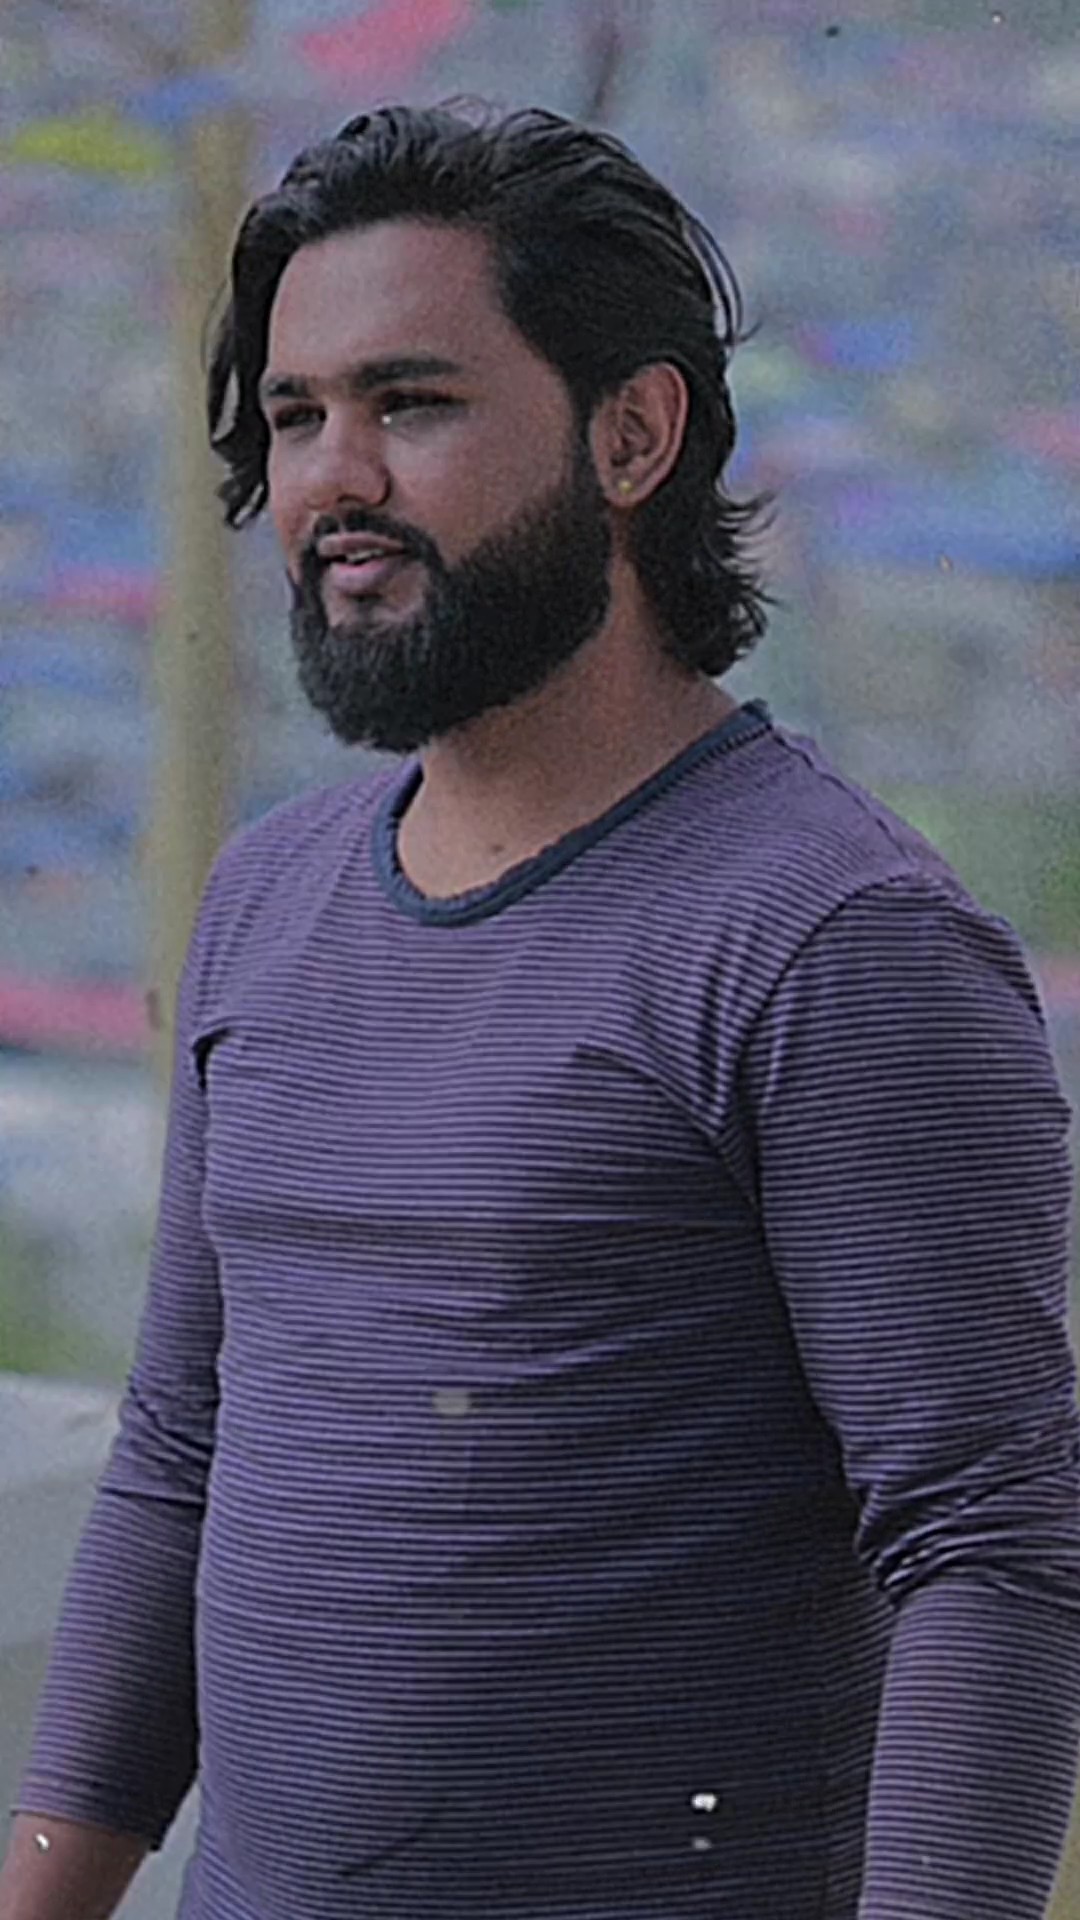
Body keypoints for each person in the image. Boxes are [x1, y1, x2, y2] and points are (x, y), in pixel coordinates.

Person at [3, 101, 1079, 1920]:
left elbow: (990, 1551)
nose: (333, 478)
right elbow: (181, 1460)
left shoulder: (838, 941)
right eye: (295, 416)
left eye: (411, 402)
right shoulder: (269, 899)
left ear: (631, 433)